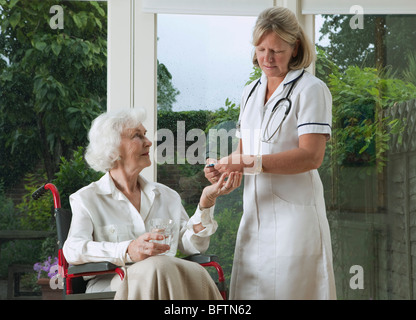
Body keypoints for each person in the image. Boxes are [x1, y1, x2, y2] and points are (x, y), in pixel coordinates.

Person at [205, 7, 336, 299]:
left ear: (295, 48)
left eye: (277, 50)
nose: (267, 58)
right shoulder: (250, 92)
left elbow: (311, 156)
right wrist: (225, 168)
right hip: (254, 215)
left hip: (295, 220)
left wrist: (248, 162)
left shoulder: (311, 90)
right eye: (261, 49)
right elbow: (245, 151)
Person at [63, 108, 242, 300]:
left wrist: (206, 203)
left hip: (164, 278)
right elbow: (73, 249)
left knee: (190, 271)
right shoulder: (87, 198)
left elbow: (192, 246)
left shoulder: (166, 195)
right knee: (159, 266)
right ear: (112, 148)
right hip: (112, 285)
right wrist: (128, 250)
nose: (148, 142)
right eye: (137, 136)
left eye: (145, 135)